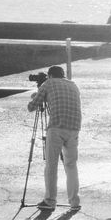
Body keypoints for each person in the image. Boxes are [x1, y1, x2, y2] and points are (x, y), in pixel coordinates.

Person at [27, 66, 81, 212]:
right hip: (74, 128)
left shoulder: (48, 83)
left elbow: (32, 107)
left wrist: (37, 95)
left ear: (50, 76)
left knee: (51, 165)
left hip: (56, 127)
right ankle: (74, 202)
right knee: (71, 165)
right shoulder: (73, 85)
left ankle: (50, 200)